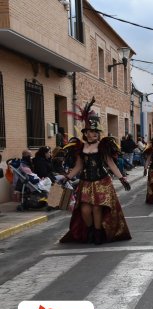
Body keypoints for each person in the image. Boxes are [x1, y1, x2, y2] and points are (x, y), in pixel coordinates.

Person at [60, 97, 131, 245]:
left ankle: (98, 234)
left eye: (95, 132)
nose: (93, 134)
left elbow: (111, 163)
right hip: (86, 183)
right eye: (90, 132)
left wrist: (122, 178)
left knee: (98, 209)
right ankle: (90, 230)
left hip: (102, 182)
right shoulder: (80, 147)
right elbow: (79, 166)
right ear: (85, 133)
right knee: (85, 210)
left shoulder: (103, 146)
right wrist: (67, 177)